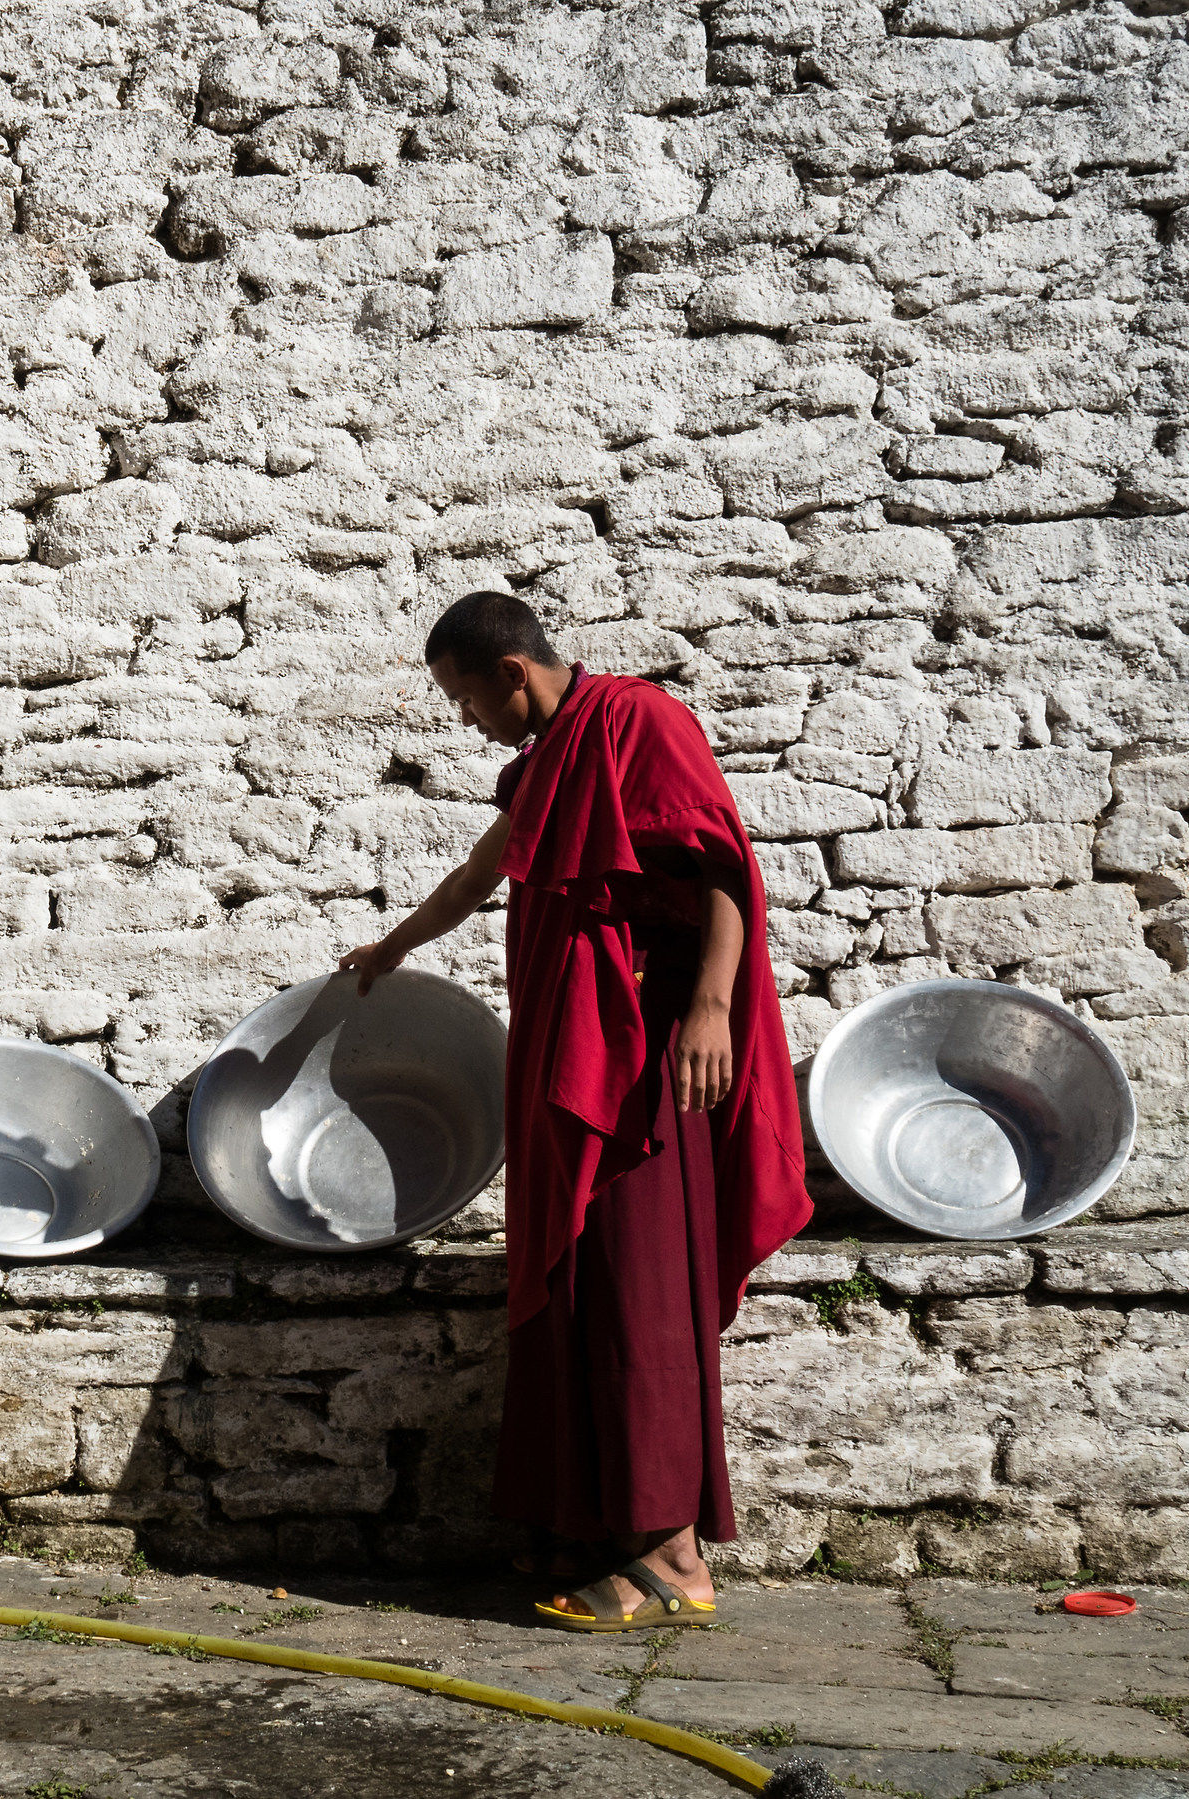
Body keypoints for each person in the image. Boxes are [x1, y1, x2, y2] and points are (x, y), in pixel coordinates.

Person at [338, 591, 810, 1632]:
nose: (467, 721)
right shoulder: (548, 759)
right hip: (569, 1062)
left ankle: (674, 1555)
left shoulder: (638, 720)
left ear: (512, 670)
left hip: (644, 1061)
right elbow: (478, 875)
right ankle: (613, 1525)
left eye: (466, 698)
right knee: (587, 1289)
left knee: (642, 1293)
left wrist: (710, 1008)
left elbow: (722, 864)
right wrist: (396, 945)